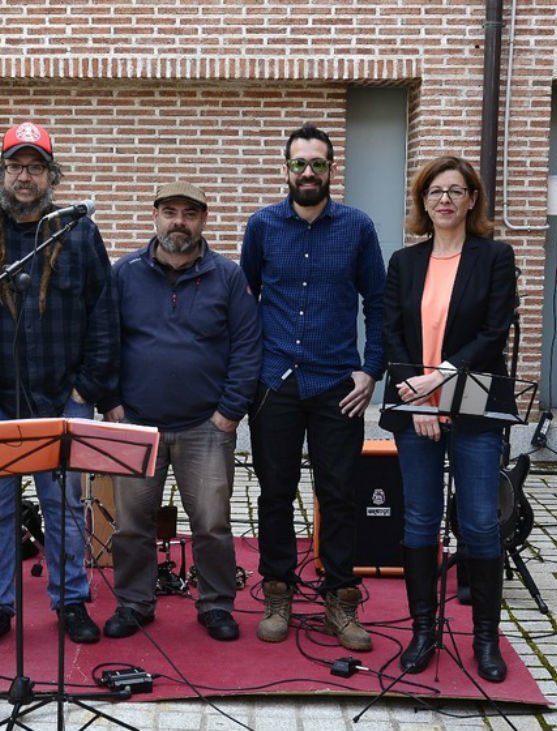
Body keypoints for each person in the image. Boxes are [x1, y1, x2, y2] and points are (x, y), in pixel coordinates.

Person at [0, 122, 118, 651]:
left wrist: (85, 391)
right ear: (1, 173)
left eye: (35, 167)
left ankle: (71, 600)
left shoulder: (76, 231)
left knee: (66, 507)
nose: (24, 177)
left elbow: (104, 315)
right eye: (15, 166)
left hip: (63, 399)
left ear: (51, 175)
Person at [239, 124, 386, 651]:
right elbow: (245, 299)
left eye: (317, 164)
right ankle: (278, 592)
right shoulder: (261, 227)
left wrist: (371, 370)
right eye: (299, 163)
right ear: (286, 168)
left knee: (339, 495)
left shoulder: (358, 227)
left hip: (336, 384)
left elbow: (379, 302)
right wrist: (250, 371)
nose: (307, 172)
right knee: (274, 494)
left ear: (330, 169)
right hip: (275, 383)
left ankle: (339, 600)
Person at [101, 182, 261, 642]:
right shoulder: (125, 273)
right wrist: (110, 404)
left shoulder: (228, 277)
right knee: (131, 526)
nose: (179, 222)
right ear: (154, 216)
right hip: (135, 426)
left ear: (204, 220)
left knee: (212, 524)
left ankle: (215, 605)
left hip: (205, 427)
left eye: (189, 214)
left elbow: (248, 347)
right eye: (169, 212)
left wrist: (230, 412)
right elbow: (104, 340)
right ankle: (134, 603)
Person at [379, 155, 516, 682]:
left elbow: (492, 334)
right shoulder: (404, 263)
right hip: (416, 405)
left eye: (456, 191)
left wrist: (439, 382)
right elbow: (392, 334)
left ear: (472, 200)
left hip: (475, 404)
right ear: (423, 201)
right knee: (418, 519)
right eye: (436, 191)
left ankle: (485, 639)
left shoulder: (495, 257)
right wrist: (419, 401)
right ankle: (422, 632)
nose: (445, 200)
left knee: (480, 522)